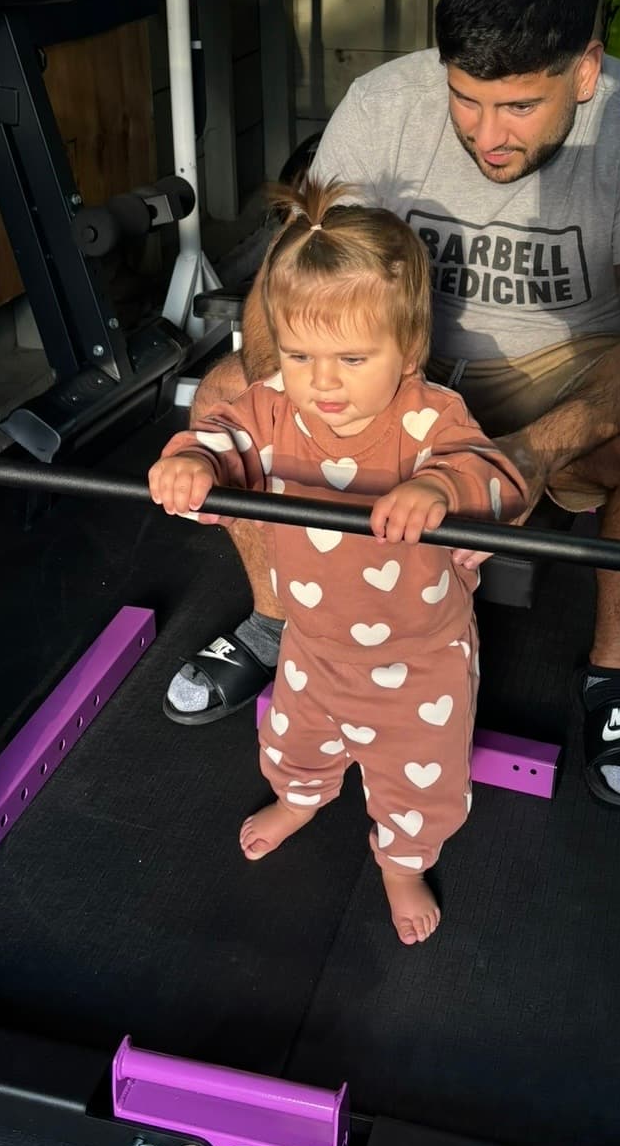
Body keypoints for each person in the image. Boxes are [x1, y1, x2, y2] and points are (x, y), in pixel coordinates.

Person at [166, 0, 620, 811]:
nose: (486, 133)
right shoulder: (385, 102)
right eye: (467, 99)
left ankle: (613, 678)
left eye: (519, 107)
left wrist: (532, 455)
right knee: (233, 388)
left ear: (584, 67)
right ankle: (278, 621)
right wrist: (284, 405)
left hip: (560, 365)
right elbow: (293, 268)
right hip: (403, 358)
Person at [149, 180, 527, 944]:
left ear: (409, 349)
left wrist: (438, 485)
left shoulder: (431, 419)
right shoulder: (276, 405)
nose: (322, 382)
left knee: (421, 784)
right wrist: (192, 458)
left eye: (352, 357)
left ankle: (401, 862)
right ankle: (301, 799)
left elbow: (501, 482)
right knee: (293, 745)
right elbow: (228, 437)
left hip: (421, 660)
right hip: (313, 644)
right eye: (299, 353)